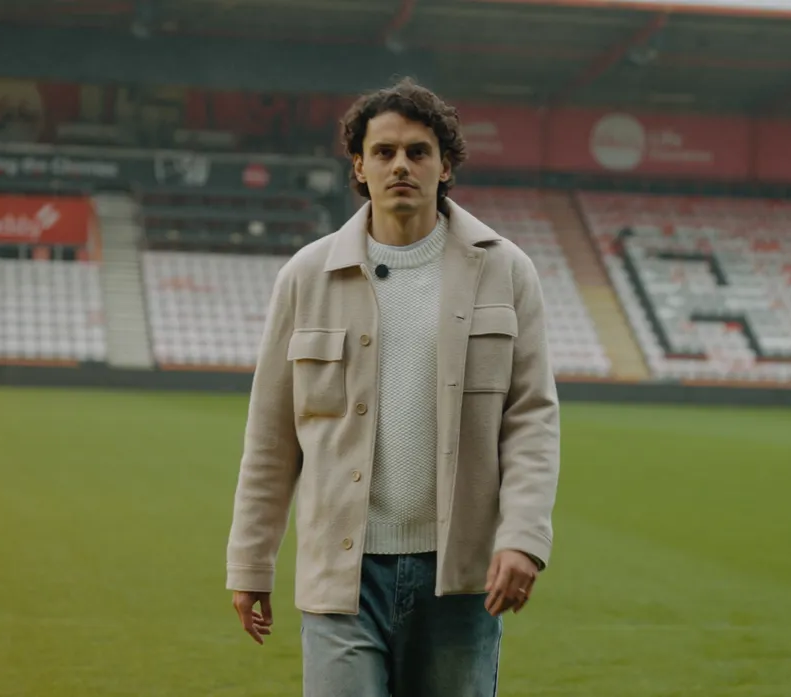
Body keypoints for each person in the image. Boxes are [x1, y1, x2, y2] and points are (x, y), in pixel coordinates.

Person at [225, 77, 561, 697]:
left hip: (460, 577)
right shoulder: (306, 277)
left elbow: (531, 421)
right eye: (383, 152)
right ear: (359, 165)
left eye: (418, 151)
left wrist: (523, 538)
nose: (400, 165)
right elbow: (271, 438)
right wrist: (251, 562)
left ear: (445, 165)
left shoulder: (506, 270)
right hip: (342, 576)